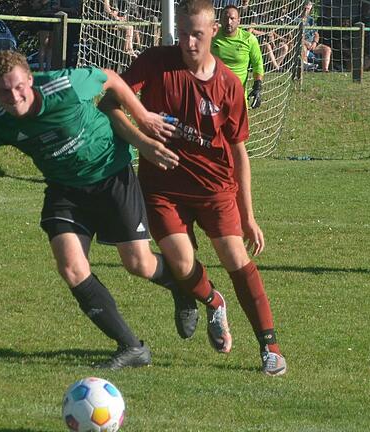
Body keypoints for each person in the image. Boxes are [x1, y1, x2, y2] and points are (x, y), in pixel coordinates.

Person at [0, 50, 196, 370]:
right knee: (70, 268)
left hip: (111, 174)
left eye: (18, 87)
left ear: (30, 79)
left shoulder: (64, 86)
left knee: (138, 263)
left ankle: (179, 286)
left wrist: (143, 116)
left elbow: (110, 78)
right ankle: (131, 347)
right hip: (64, 189)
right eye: (2, 91)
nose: (13, 96)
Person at [100, 0, 287, 376]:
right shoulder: (155, 63)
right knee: (182, 264)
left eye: (197, 35)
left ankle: (270, 347)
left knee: (237, 257)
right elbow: (110, 104)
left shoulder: (229, 86)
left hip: (215, 188)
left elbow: (239, 153)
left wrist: (249, 215)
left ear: (213, 32)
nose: (188, 43)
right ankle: (212, 300)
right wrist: (143, 142)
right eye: (182, 34)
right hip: (162, 188)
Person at [212, 4, 265, 109]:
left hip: (238, 98)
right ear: (220, 20)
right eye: (225, 18)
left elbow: (257, 64)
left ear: (239, 21)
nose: (229, 22)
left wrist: (257, 87)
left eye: (232, 18)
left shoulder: (249, 39)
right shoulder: (211, 37)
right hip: (214, 97)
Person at [300, 0, 331, 72]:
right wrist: (305, 42)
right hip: (301, 43)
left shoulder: (311, 20)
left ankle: (325, 70)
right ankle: (306, 69)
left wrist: (314, 42)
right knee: (303, 48)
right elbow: (293, 36)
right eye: (305, 8)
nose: (306, 11)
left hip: (312, 43)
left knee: (327, 49)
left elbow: (316, 34)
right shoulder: (296, 20)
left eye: (308, 9)